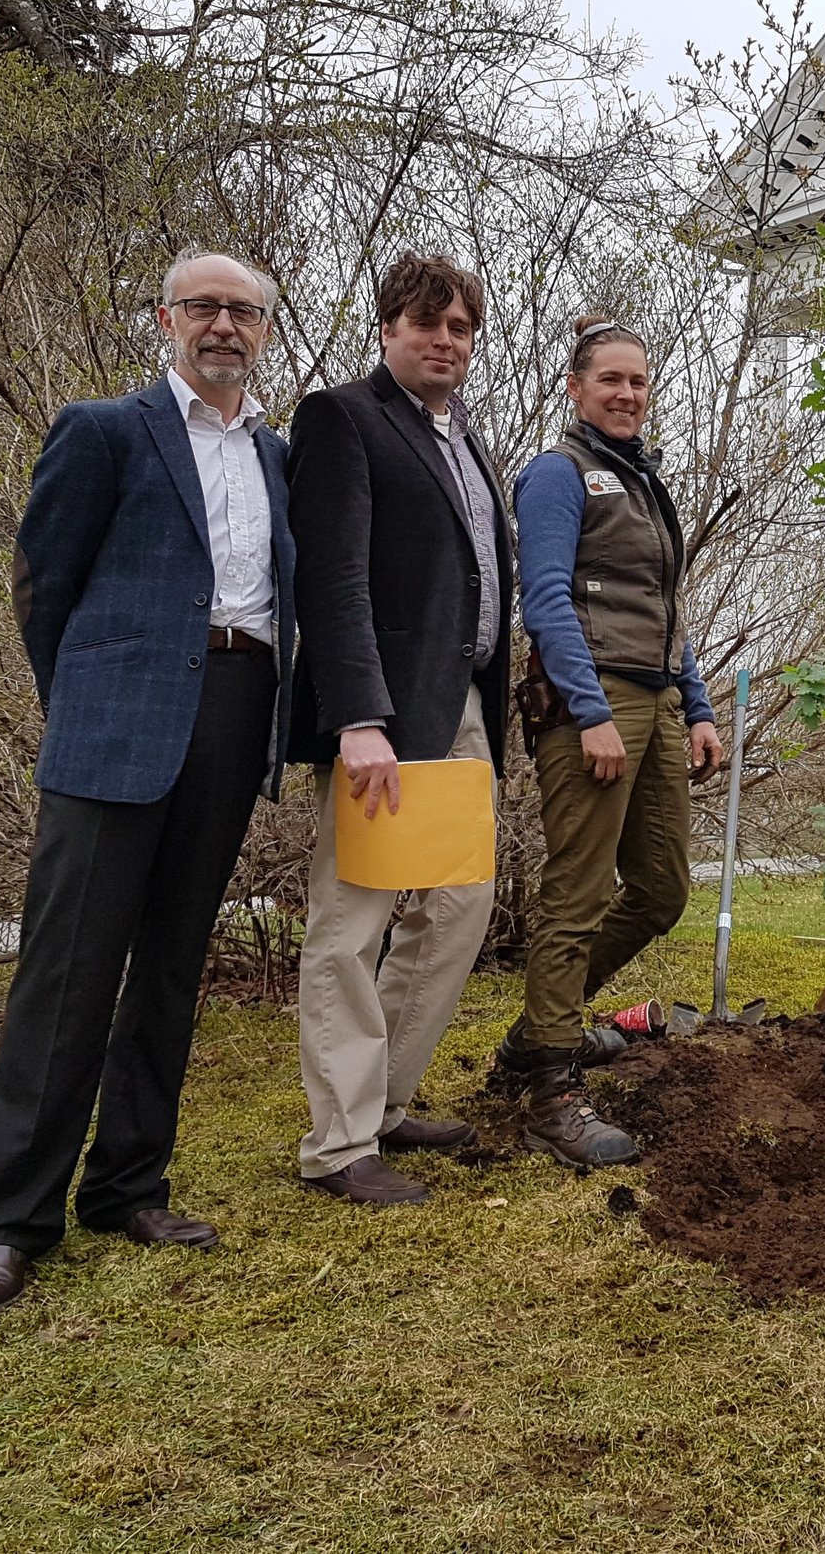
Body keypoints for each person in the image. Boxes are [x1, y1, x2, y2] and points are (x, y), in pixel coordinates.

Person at [0, 251, 295, 1322]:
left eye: (243, 311)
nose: (223, 325)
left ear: (265, 332)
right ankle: (12, 1224)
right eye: (204, 307)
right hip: (117, 725)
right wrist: (89, 702)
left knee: (172, 968)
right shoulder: (103, 429)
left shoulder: (278, 454)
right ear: (165, 319)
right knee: (67, 976)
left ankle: (129, 1186)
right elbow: (43, 585)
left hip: (237, 716)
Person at [285, 252, 513, 1206]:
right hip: (383, 711)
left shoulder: (468, 440)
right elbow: (331, 579)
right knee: (353, 921)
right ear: (388, 327)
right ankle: (338, 1144)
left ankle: (383, 1102)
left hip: (461, 707)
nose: (445, 340)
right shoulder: (342, 418)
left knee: (458, 905)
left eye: (461, 327)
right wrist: (358, 717)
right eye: (428, 323)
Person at [509, 318, 723, 1167]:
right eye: (611, 380)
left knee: (662, 890)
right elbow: (547, 600)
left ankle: (539, 1031)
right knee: (577, 893)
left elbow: (666, 609)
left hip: (660, 701)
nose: (628, 393)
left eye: (638, 381)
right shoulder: (557, 475)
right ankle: (550, 1090)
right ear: (576, 386)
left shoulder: (642, 480)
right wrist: (590, 711)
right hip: (592, 706)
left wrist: (698, 704)